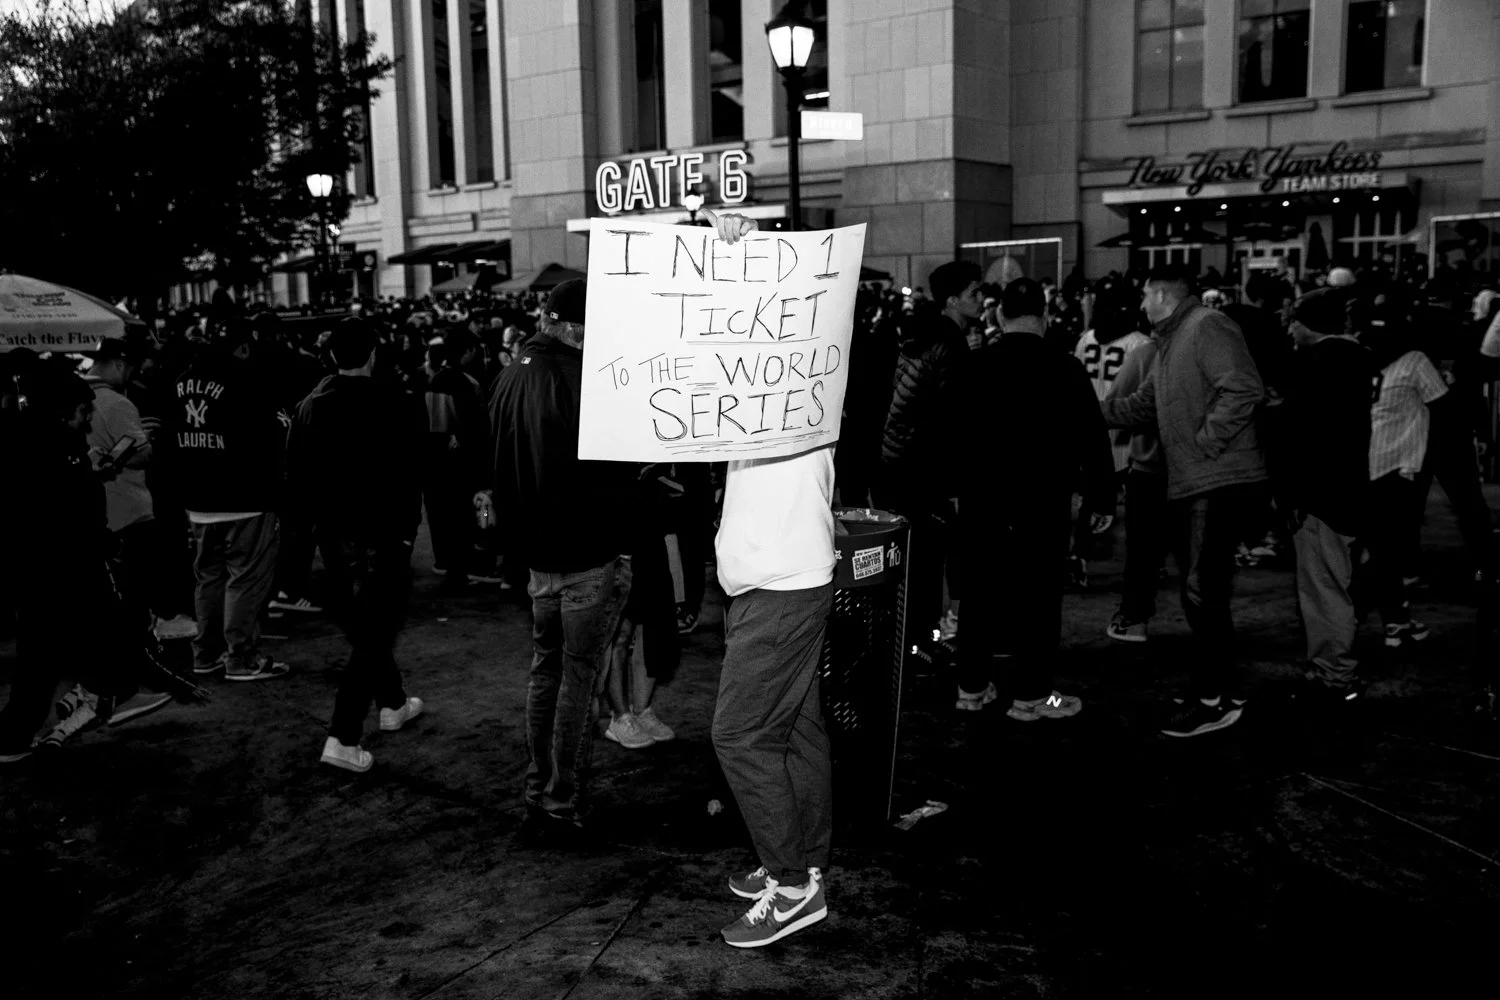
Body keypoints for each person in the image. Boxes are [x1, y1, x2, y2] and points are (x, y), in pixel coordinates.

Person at [702, 209, 834, 949]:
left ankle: (790, 886)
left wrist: (745, 253)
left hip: (782, 582)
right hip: (771, 578)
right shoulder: (765, 384)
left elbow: (781, 316)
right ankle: (805, 866)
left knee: (741, 734)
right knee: (794, 731)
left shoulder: (799, 366)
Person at [487, 278, 634, 839]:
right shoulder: (585, 382)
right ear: (574, 329)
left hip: (537, 560)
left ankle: (539, 787)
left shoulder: (507, 376)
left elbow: (499, 468)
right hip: (585, 554)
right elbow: (609, 475)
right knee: (577, 679)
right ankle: (561, 797)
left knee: (546, 672)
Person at [1101, 266, 1269, 738]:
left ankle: (1213, 701)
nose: (1139, 305)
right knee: (1202, 590)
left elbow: (1243, 388)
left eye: (1143, 295)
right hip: (1197, 480)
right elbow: (1144, 405)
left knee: (1203, 591)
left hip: (1216, 480)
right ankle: (1216, 691)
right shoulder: (1172, 340)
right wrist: (1089, 415)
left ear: (1160, 293)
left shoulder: (1207, 326)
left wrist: (1204, 444)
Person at [956, 277, 1115, 717]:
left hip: (982, 499)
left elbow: (950, 435)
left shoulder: (975, 365)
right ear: (1044, 319)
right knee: (1038, 597)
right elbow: (1093, 438)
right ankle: (1029, 696)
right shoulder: (1065, 367)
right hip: (1041, 501)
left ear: (1000, 317)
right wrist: (1102, 498)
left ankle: (971, 687)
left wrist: (950, 491)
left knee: (979, 593)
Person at [0, 368, 164, 761]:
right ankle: (118, 691)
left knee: (41, 653)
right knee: (84, 631)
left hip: (34, 563)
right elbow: (68, 510)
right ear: (65, 410)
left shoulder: (20, 434)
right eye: (82, 410)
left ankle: (14, 736)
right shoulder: (58, 444)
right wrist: (105, 540)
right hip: (63, 562)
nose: (88, 417)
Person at [286, 319, 426, 773]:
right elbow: (410, 471)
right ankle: (343, 735)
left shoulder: (310, 406)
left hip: (334, 536)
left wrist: (299, 550)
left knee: (369, 628)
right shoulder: (395, 402)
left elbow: (297, 482)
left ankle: (393, 702)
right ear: (371, 353)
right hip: (382, 535)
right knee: (374, 632)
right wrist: (406, 531)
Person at [166, 319, 290, 682]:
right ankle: (241, 657)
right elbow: (271, 439)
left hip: (199, 499)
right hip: (244, 496)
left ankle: (206, 652)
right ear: (243, 348)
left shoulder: (180, 384)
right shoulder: (247, 381)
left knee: (208, 578)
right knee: (245, 578)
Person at [873, 261, 978, 646]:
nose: (982, 300)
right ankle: (921, 644)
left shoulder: (919, 333)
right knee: (927, 564)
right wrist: (952, 482)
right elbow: (952, 416)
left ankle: (912, 642)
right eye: (974, 293)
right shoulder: (946, 342)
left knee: (913, 563)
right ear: (952, 300)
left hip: (897, 467)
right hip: (922, 471)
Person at [1282, 288, 1373, 702]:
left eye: (1295, 321)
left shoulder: (1315, 364)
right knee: (1340, 582)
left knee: (1324, 588)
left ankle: (1335, 673)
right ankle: (1335, 666)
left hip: (1322, 496)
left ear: (1310, 324)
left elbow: (1303, 438)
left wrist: (1293, 495)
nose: (1290, 328)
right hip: (1351, 486)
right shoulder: (1355, 357)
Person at [84, 339, 197, 642]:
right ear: (120, 364)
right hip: (128, 510)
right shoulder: (117, 403)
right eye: (131, 368)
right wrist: (144, 439)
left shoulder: (74, 395)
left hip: (97, 510)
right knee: (134, 592)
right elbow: (141, 453)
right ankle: (138, 662)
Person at [422, 329, 497, 586]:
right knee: (474, 515)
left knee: (444, 515)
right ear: (466, 351)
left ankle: (446, 561)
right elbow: (477, 429)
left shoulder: (435, 379)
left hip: (437, 461)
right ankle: (469, 566)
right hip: (463, 461)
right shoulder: (466, 382)